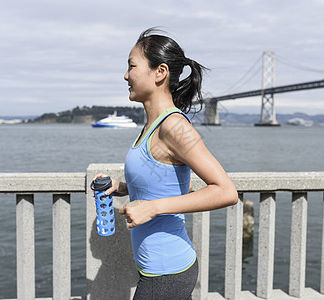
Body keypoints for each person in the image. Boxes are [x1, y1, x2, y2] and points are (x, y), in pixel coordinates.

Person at [94, 28, 238, 300]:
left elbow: (226, 191)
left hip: (167, 272)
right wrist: (121, 187)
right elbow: (163, 181)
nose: (126, 75)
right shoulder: (152, 126)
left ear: (160, 72)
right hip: (153, 269)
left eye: (132, 66)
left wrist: (153, 208)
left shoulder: (175, 127)